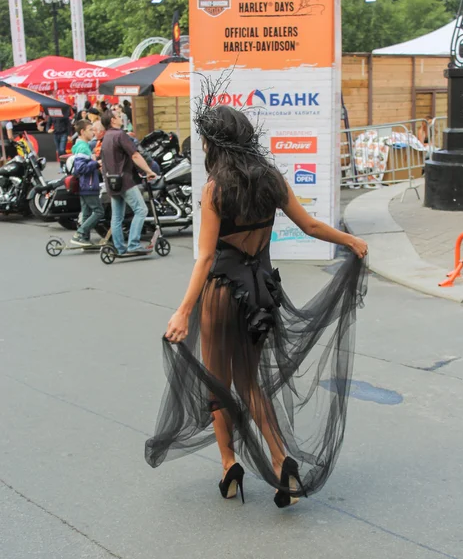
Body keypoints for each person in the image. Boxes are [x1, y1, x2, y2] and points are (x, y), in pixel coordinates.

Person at [144, 104, 368, 509]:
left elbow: (206, 259)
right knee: (250, 383)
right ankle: (283, 462)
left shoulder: (215, 188)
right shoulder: (271, 179)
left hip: (221, 294)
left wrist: (182, 311)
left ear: (213, 143)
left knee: (218, 382)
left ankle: (230, 465)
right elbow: (311, 226)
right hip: (261, 292)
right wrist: (351, 241)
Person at [100, 109, 156, 255]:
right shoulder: (120, 135)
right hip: (124, 180)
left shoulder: (106, 137)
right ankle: (133, 244)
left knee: (117, 216)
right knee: (141, 209)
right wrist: (149, 171)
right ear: (112, 120)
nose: (120, 118)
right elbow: (135, 155)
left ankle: (119, 247)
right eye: (118, 116)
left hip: (111, 181)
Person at [70, 120, 105, 247]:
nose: (93, 132)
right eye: (90, 130)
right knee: (99, 211)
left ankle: (83, 239)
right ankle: (80, 233)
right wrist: (96, 163)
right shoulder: (83, 147)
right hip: (89, 185)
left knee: (86, 213)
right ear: (82, 132)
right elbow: (80, 168)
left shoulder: (81, 146)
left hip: (84, 185)